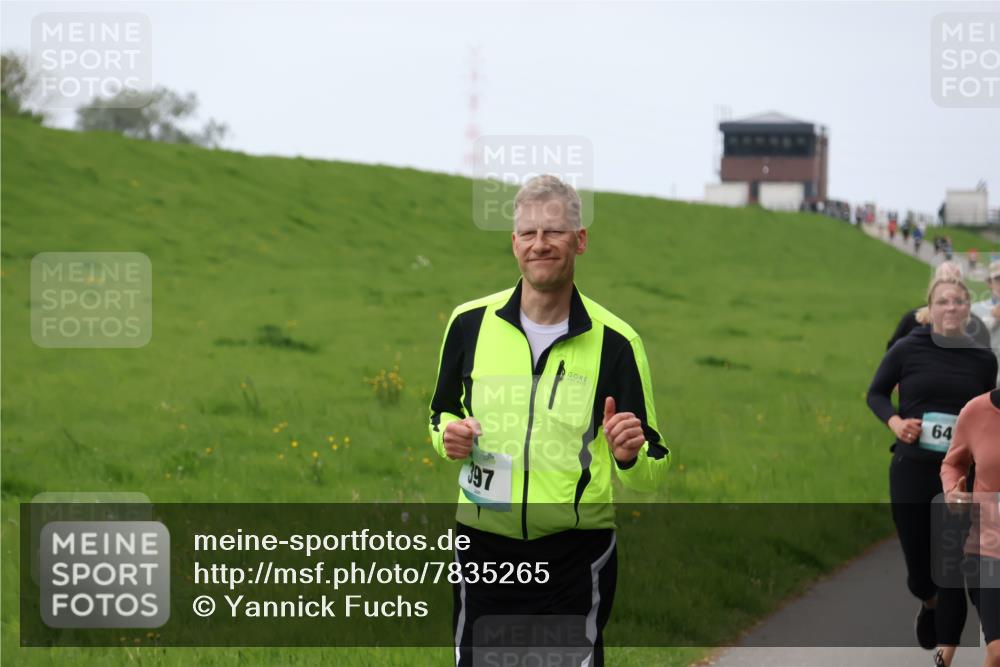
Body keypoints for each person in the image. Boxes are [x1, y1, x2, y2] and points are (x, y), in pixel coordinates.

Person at [428, 174, 671, 666]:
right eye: (528, 233)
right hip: (482, 547)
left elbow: (652, 468)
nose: (540, 244)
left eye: (554, 231)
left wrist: (629, 456)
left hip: (573, 556)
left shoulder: (616, 343)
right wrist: (448, 437)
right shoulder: (468, 324)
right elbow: (440, 414)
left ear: (580, 240)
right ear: (514, 242)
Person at [867, 277, 998, 665]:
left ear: (968, 309)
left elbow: (987, 415)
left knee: (951, 560)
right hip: (913, 466)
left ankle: (952, 639)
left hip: (959, 476)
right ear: (930, 308)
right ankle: (929, 601)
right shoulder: (908, 349)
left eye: (958, 301)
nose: (951, 307)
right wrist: (895, 423)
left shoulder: (982, 359)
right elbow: (876, 393)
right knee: (919, 567)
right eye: (943, 301)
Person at [941, 389, 1000, 667]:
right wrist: (953, 491)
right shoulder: (977, 411)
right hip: (988, 550)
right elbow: (953, 463)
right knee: (998, 651)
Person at [886, 262, 991, 350]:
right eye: (943, 279)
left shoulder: (976, 327)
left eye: (955, 281)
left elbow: (985, 361)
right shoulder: (913, 320)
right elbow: (893, 353)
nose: (948, 285)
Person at [971, 260, 1000, 384]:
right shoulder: (975, 310)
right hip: (984, 382)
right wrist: (992, 318)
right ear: (989, 283)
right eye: (998, 279)